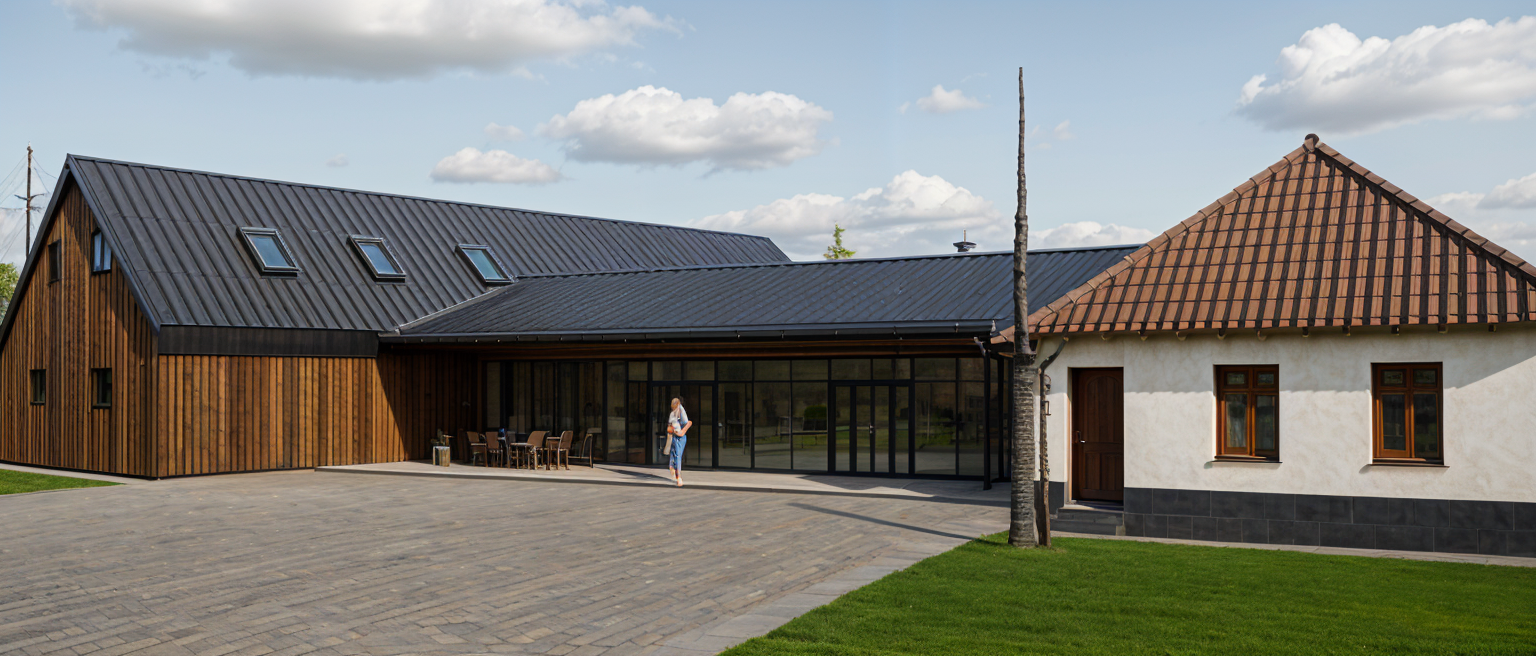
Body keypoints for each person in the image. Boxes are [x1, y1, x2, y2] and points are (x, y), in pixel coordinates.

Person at [667, 397, 692, 486]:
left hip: (680, 437)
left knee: (677, 455)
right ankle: (675, 471)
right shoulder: (672, 414)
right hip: (674, 436)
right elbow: (669, 427)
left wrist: (682, 432)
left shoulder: (682, 413)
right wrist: (673, 430)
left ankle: (678, 475)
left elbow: (688, 423)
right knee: (674, 454)